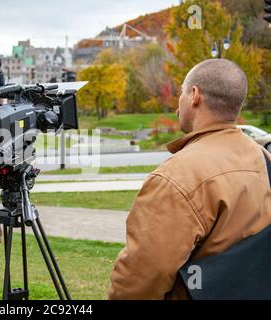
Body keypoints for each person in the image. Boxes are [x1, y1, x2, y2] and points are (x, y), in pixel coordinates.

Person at [108, 59, 271, 300]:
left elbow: (142, 278)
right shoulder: (262, 156)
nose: (177, 106)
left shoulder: (177, 176)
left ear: (194, 95)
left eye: (181, 94)